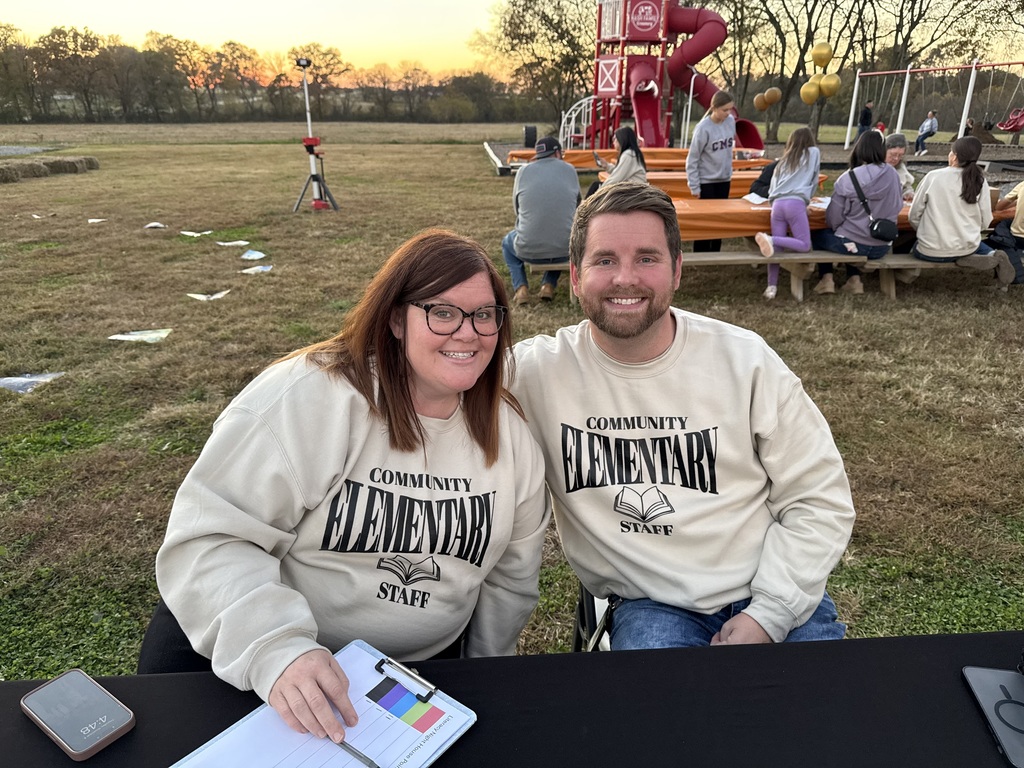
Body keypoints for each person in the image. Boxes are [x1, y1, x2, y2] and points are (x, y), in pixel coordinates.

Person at [145, 229, 550, 744]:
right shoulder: (312, 396)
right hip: (266, 658)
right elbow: (211, 535)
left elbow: (510, 581)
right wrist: (279, 649)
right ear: (396, 318)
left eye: (485, 314)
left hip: (408, 679)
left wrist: (487, 681)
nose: (468, 333)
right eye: (442, 312)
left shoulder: (509, 438)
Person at [512, 181, 856, 651]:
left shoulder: (745, 360)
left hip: (769, 583)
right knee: (669, 722)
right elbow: (429, 376)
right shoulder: (535, 372)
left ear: (677, 271)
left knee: (823, 720)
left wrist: (770, 613)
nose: (625, 278)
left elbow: (820, 497)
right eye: (605, 260)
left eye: (647, 259)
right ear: (575, 276)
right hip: (651, 603)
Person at [908, 136, 1015, 287]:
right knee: (974, 244)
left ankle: (963, 254)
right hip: (966, 246)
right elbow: (985, 220)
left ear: (954, 156)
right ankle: (989, 255)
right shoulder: (980, 180)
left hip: (932, 250)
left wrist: (924, 230)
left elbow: (913, 215)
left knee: (913, 248)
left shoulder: (933, 177)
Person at [811, 131, 903, 294]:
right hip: (882, 245)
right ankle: (854, 280)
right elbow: (898, 205)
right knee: (848, 233)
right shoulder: (893, 175)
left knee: (819, 235)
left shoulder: (848, 178)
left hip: (852, 244)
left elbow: (833, 218)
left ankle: (827, 279)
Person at [502, 136, 581, 306]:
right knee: (562, 234)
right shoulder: (570, 170)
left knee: (507, 243)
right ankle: (548, 285)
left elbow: (518, 210)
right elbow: (577, 207)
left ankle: (521, 287)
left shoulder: (523, 172)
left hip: (528, 250)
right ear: (558, 153)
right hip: (564, 250)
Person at [753, 127, 821, 300]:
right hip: (795, 203)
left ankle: (771, 287)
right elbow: (814, 180)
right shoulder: (813, 153)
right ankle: (771, 239)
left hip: (777, 205)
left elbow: (773, 188)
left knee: (775, 251)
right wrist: (806, 200)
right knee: (804, 245)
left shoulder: (782, 162)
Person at [686, 90, 736, 252]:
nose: (728, 113)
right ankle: (701, 251)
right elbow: (692, 158)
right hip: (706, 181)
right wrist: (694, 186)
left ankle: (716, 250)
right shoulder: (703, 129)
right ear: (714, 108)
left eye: (730, 109)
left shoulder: (730, 122)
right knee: (706, 218)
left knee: (721, 217)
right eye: (725, 110)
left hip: (724, 179)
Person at [588, 125, 647, 197]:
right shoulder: (632, 153)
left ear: (622, 139)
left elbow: (616, 178)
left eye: (615, 138)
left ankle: (584, 207)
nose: (613, 141)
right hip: (633, 189)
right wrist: (607, 166)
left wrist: (601, 190)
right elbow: (620, 172)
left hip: (633, 192)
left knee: (596, 187)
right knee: (596, 186)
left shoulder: (628, 155)